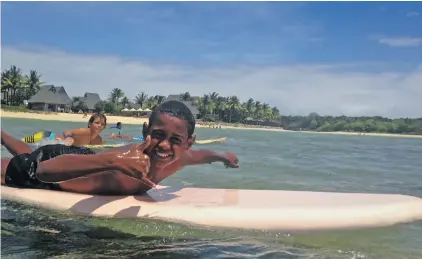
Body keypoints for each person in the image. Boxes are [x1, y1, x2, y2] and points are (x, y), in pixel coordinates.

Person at [1, 100, 239, 195]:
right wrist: (112, 161)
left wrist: (222, 156)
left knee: (32, 150)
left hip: (82, 156)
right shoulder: (125, 158)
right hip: (51, 172)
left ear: (188, 143)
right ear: (146, 132)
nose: (165, 145)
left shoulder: (182, 157)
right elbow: (41, 170)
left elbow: (203, 155)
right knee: (29, 159)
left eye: (176, 140)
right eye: (158, 135)